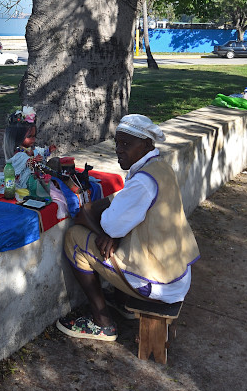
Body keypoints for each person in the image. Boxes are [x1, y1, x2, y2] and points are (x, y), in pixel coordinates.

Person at [57, 114, 199, 342]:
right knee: (117, 236)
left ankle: (102, 322)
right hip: (175, 275)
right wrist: (108, 230)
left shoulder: (143, 181)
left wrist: (102, 228)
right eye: (117, 143)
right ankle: (123, 302)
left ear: (146, 145)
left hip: (157, 283)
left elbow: (108, 223)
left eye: (126, 144)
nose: (119, 150)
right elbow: (121, 204)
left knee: (74, 238)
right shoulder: (160, 167)